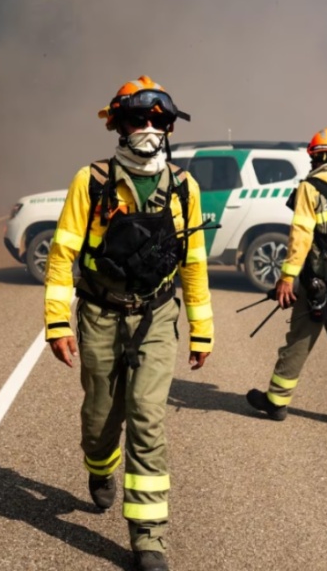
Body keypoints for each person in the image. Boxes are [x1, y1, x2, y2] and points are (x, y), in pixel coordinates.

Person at [43, 76, 213, 571]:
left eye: (159, 121)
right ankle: (100, 467)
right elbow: (62, 254)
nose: (149, 129)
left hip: (157, 315)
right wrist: (57, 322)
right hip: (100, 313)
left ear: (169, 128)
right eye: (138, 119)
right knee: (100, 417)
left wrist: (201, 328)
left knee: (146, 415)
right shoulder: (91, 181)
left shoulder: (184, 187)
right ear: (119, 125)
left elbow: (194, 263)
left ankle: (148, 535)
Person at [245, 126, 327, 430]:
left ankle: (276, 401)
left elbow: (301, 236)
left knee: (299, 341)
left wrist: (287, 277)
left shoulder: (310, 187)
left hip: (320, 283)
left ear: (316, 158)